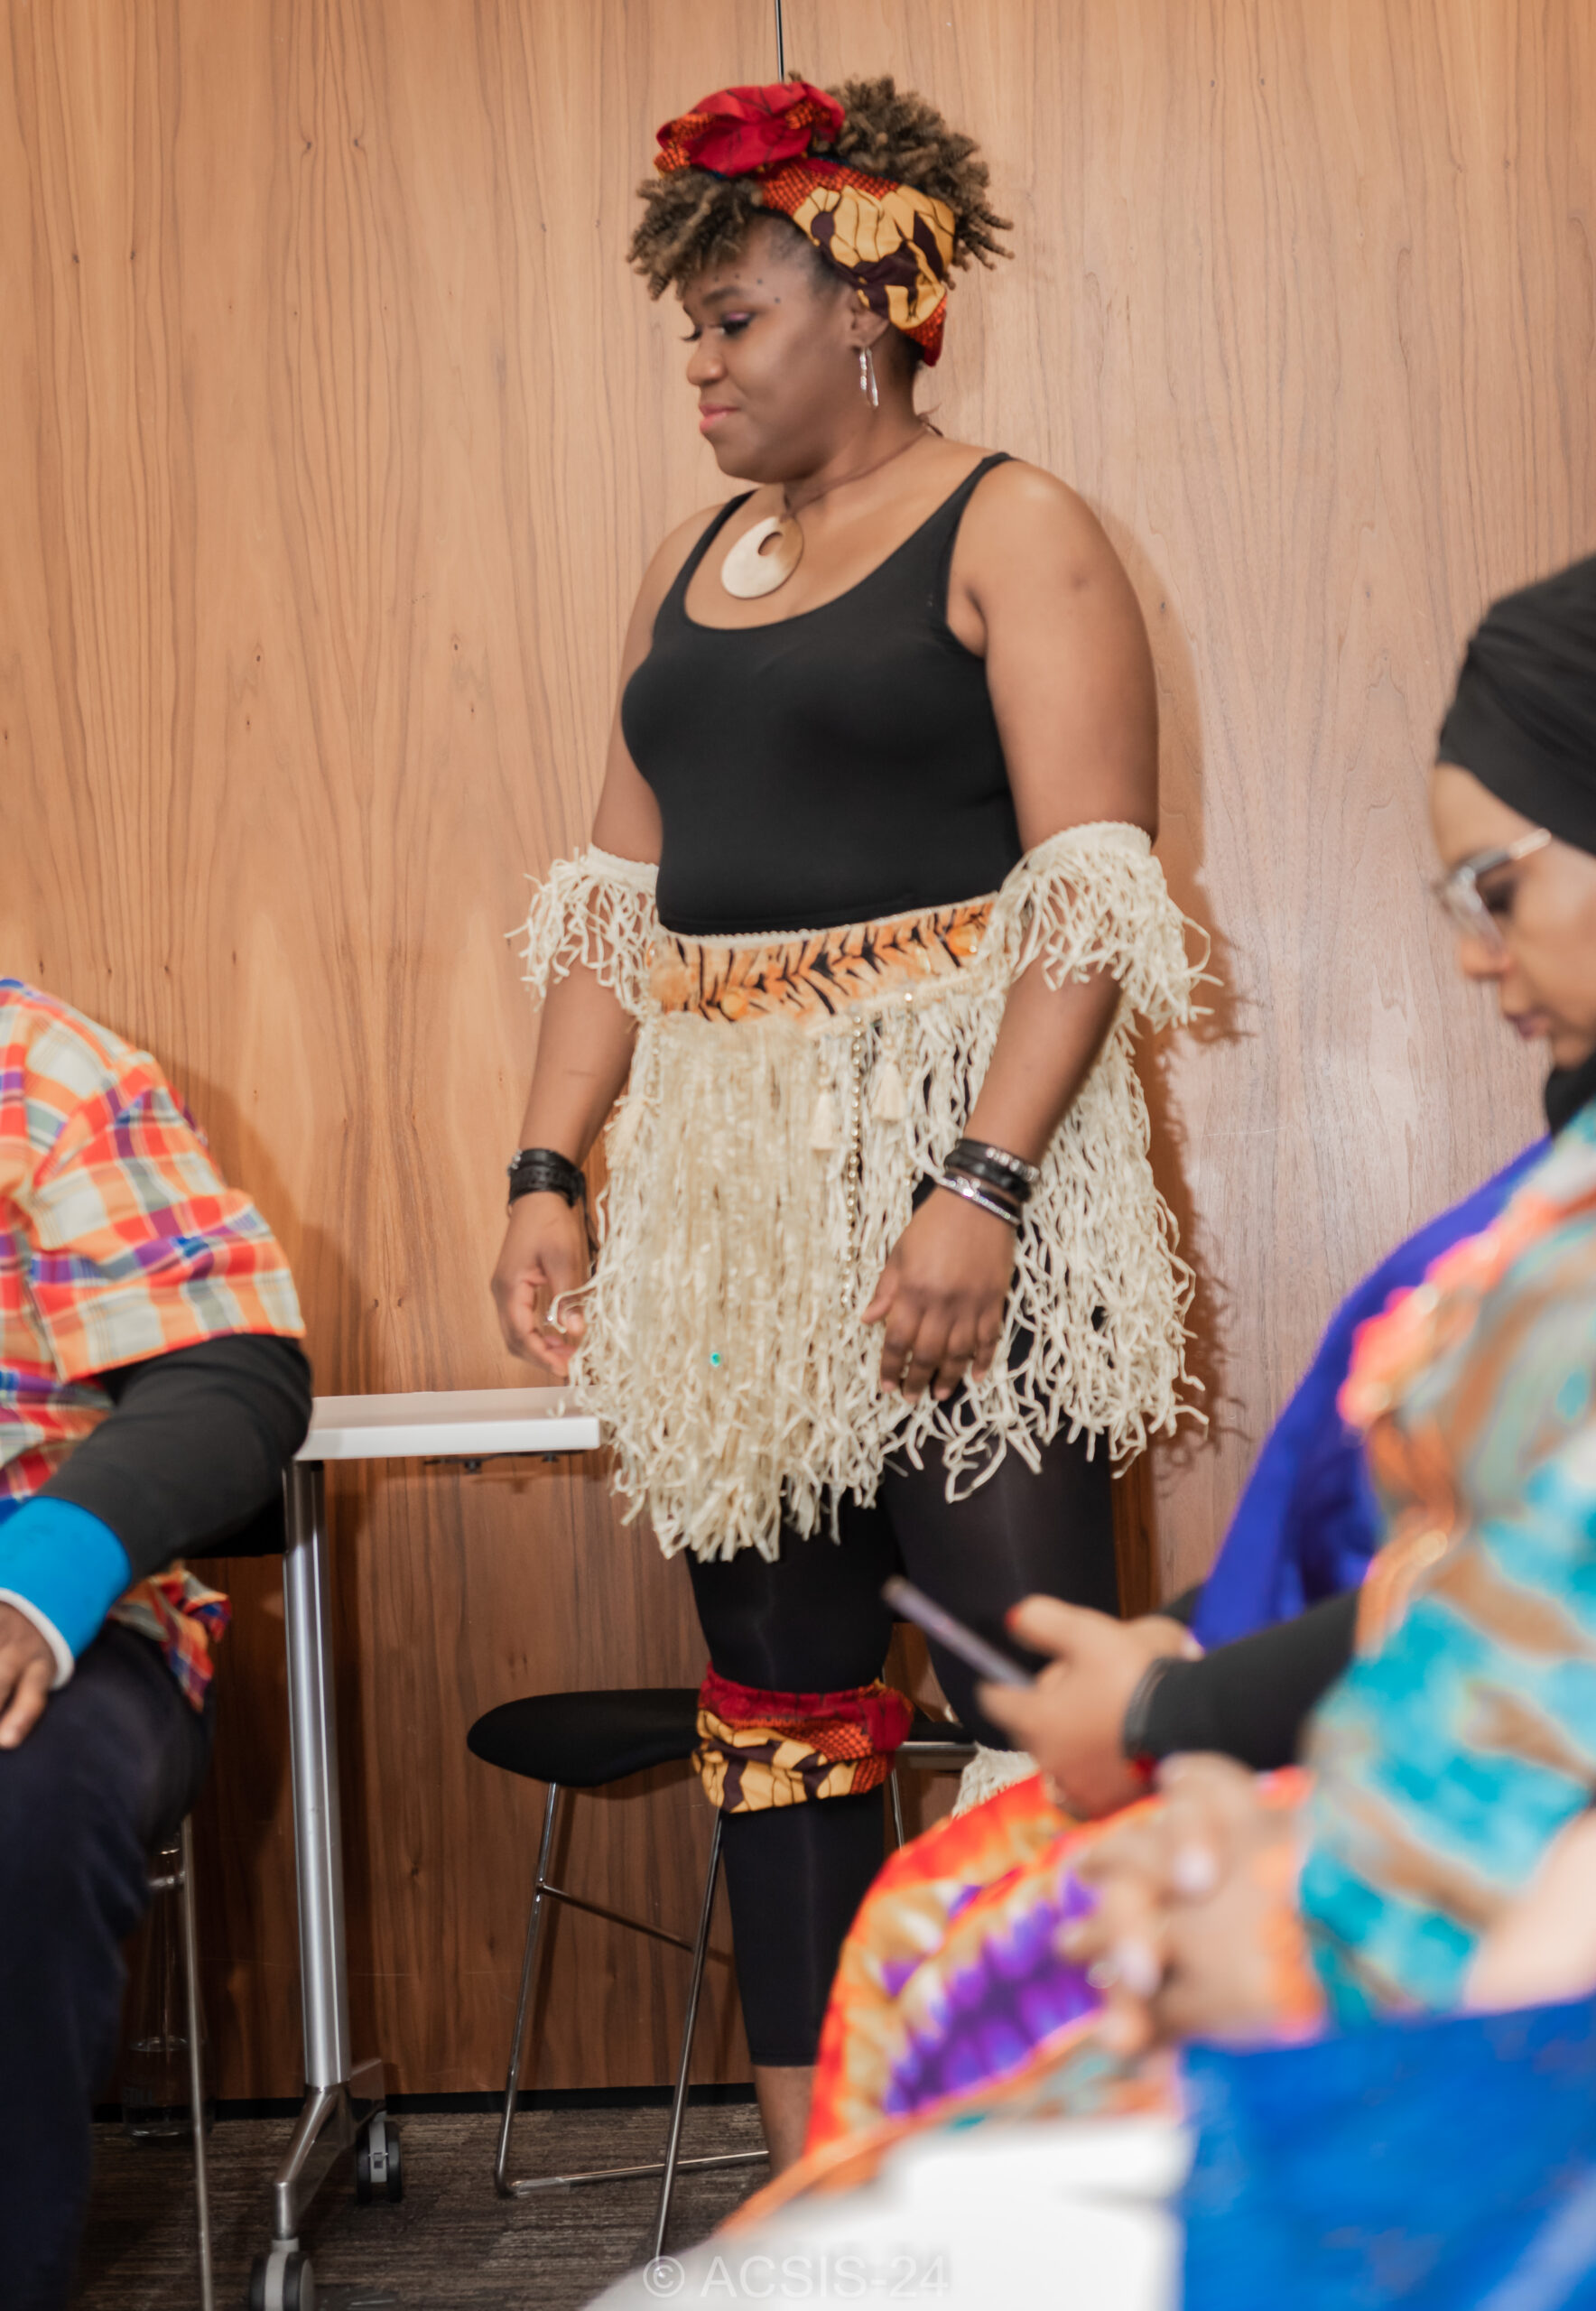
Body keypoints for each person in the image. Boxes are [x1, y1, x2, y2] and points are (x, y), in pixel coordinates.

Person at [489, 74, 1203, 2165]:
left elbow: (1086, 888)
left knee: (1021, 1682)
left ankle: (1072, 2174)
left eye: (733, 320)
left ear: (873, 304)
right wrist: (549, 1164)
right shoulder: (688, 559)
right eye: (689, 329)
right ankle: (826, 2189)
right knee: (777, 1692)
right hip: (726, 1202)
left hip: (957, 1171)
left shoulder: (1014, 524)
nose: (698, 365)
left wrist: (975, 1185)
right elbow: (611, 903)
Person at [765, 551, 1596, 2178]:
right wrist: (1191, 1696)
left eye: (1496, 889)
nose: (1473, 956)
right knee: (945, 1922)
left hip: (1486, 1940)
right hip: (1429, 1844)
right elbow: (1477, 1582)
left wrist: (1194, 1745)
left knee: (972, 1969)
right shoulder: (1556, 1193)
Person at [0, 979, 311, 2311]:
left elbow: (229, 1373)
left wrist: (38, 1588)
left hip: (52, 1614)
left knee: (21, 1795)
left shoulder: (38, 1067)